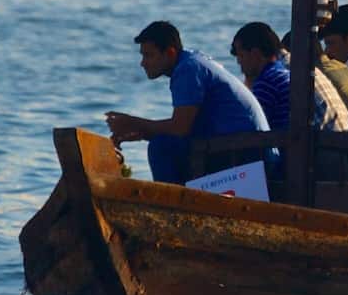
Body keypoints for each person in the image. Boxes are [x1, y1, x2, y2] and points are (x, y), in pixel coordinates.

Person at [106, 21, 269, 185]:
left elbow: (179, 128)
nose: (143, 63)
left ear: (170, 53)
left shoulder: (188, 69)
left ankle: (170, 206)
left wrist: (132, 123)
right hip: (242, 147)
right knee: (165, 142)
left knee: (161, 147)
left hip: (247, 152)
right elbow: (184, 128)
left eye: (149, 55)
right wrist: (141, 131)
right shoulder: (191, 62)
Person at [236, 23, 348, 133]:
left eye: (241, 55)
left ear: (255, 54)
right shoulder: (298, 64)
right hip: (339, 141)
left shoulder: (281, 71)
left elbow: (252, 124)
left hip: (324, 147)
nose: (239, 62)